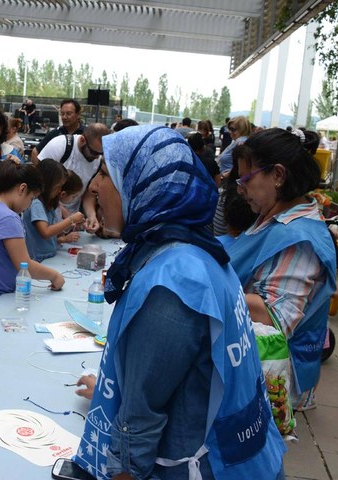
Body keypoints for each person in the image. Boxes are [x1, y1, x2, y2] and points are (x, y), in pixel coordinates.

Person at [73, 124, 285, 480]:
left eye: (107, 175)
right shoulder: (198, 252)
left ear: (143, 183)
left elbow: (138, 427)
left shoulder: (172, 283)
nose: (95, 186)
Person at [226, 128, 337, 410]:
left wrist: (204, 286)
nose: (240, 189)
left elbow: (274, 318)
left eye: (246, 179)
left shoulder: (298, 238)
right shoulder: (273, 215)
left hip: (269, 377)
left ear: (277, 175)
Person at [0, 161, 64, 315]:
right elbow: (25, 266)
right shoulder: (7, 217)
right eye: (31, 198)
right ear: (22, 189)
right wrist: (54, 276)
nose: (29, 205)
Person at [37, 122, 106, 230]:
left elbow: (89, 193)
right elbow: (40, 183)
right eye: (93, 152)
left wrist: (92, 217)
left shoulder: (98, 161)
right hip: (47, 214)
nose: (97, 157)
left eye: (101, 153)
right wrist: (62, 211)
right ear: (83, 140)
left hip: (73, 217)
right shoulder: (60, 145)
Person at [23, 159, 82, 261]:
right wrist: (71, 219)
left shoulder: (48, 204)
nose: (59, 191)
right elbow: (45, 232)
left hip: (49, 256)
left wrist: (70, 225)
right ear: (47, 183)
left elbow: (54, 230)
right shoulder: (36, 203)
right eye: (58, 186)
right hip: (38, 258)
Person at [30, 98, 85, 164]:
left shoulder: (86, 133)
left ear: (78, 114)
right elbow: (35, 152)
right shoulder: (55, 133)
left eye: (69, 113)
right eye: (62, 114)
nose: (64, 117)